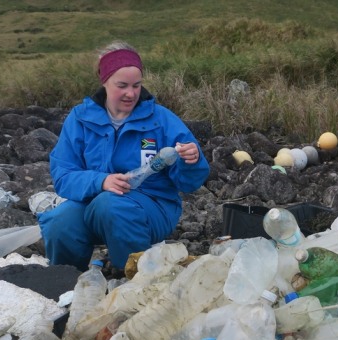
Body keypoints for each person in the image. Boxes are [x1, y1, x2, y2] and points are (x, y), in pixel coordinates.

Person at [38, 41, 209, 271]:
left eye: (136, 86)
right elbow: (63, 176)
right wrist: (100, 181)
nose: (131, 93)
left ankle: (134, 282)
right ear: (105, 81)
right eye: (122, 85)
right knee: (60, 221)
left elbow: (190, 183)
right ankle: (67, 285)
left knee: (112, 205)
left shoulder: (161, 119)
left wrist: (192, 160)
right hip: (94, 205)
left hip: (153, 209)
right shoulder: (80, 119)